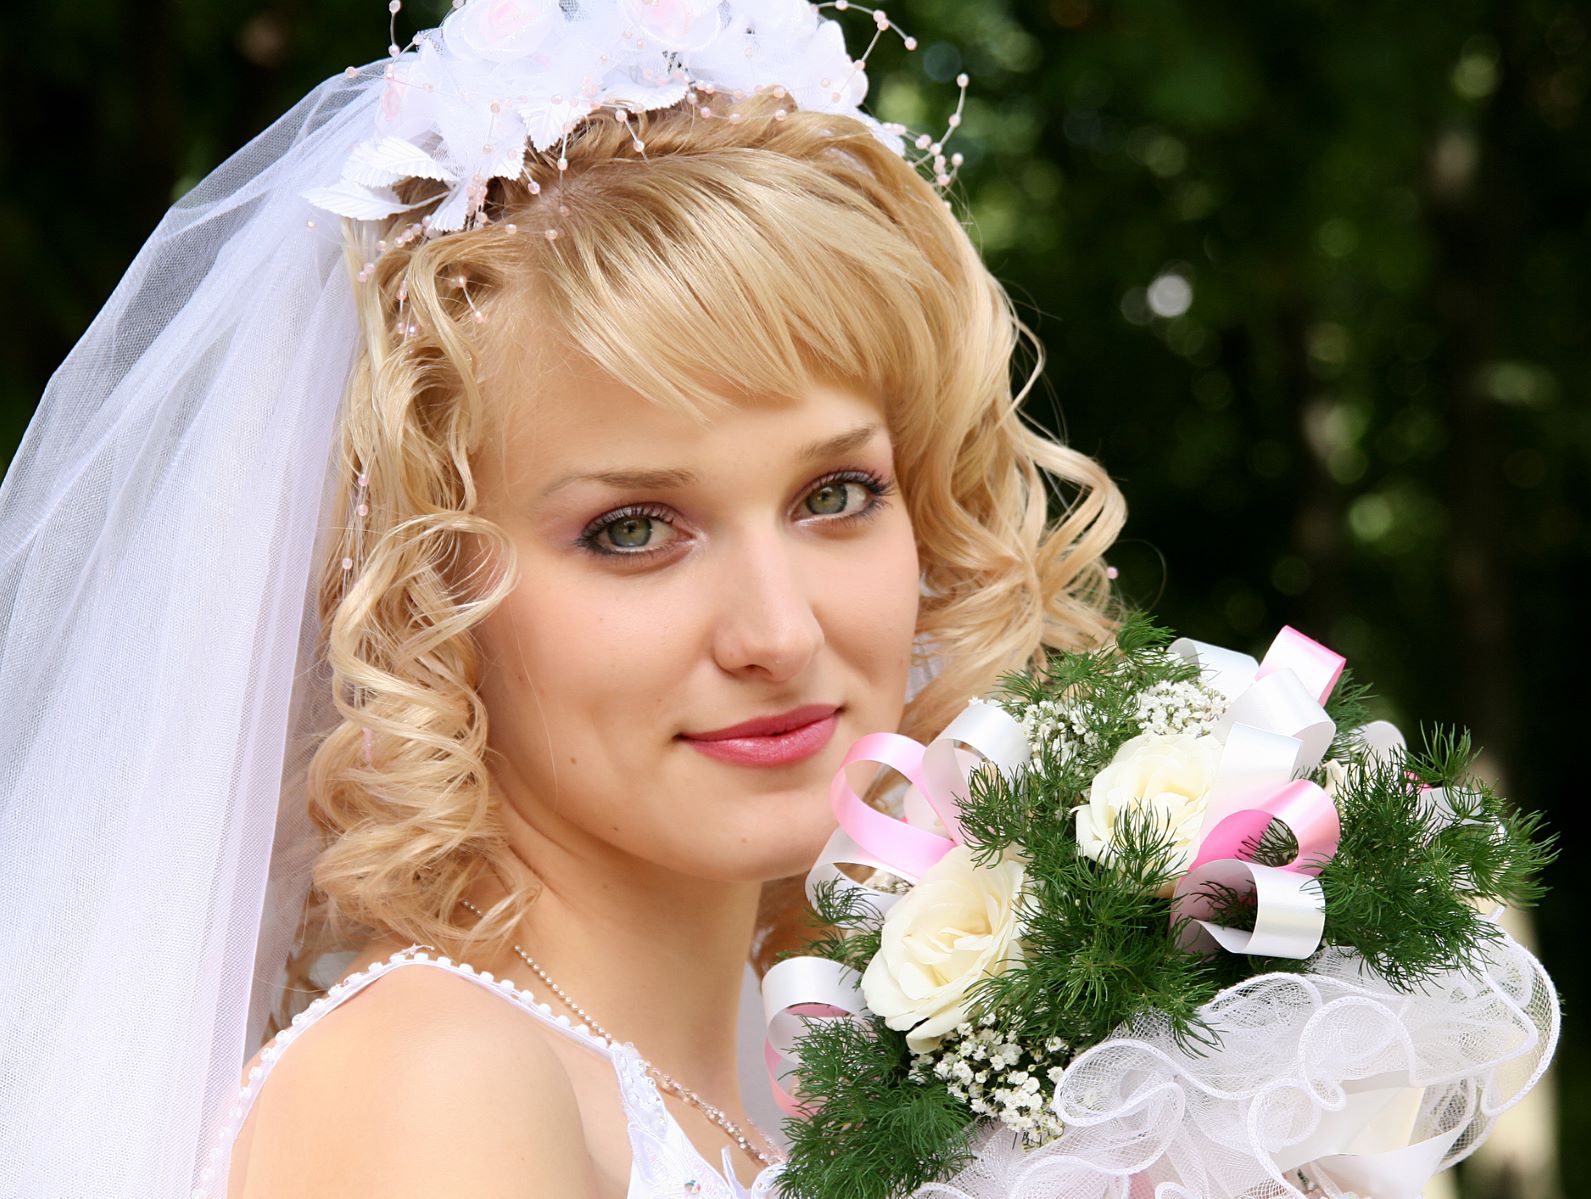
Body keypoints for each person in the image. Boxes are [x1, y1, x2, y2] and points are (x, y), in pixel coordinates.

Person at [0, 2, 1123, 1196]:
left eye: (835, 494)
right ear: (427, 590)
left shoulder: (784, 1111)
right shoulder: (436, 1083)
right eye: (633, 530)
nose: (781, 632)